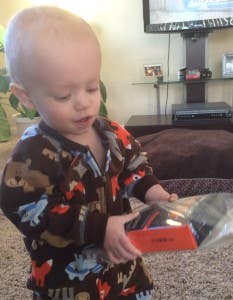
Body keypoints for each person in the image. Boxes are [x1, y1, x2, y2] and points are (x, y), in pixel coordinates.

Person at [0, 6, 177, 300]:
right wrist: (99, 227)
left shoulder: (112, 133)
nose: (83, 103)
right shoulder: (32, 154)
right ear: (26, 96)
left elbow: (135, 166)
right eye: (64, 95)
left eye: (92, 88)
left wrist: (152, 192)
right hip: (68, 278)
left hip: (122, 266)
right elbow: (23, 206)